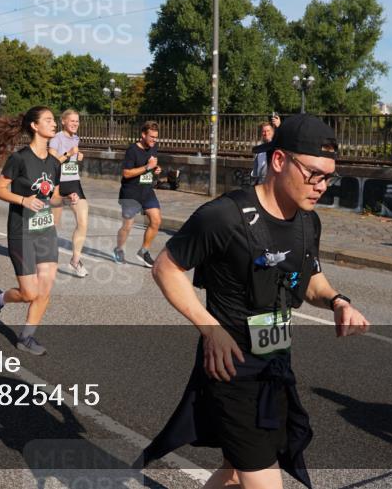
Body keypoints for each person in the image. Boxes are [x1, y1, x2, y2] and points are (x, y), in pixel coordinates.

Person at [142, 114, 370, 489]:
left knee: (233, 468)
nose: (321, 186)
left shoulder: (306, 221)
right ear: (279, 161)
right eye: (313, 173)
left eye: (329, 177)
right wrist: (211, 331)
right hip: (231, 368)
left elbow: (309, 276)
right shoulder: (223, 216)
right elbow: (166, 268)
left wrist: (337, 301)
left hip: (275, 365)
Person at [0, 106, 78, 356]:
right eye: (48, 120)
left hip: (45, 230)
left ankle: (26, 338)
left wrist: (66, 199)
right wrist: (23, 200)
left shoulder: (54, 163)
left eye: (54, 121)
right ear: (35, 126)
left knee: (45, 290)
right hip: (21, 230)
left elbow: (53, 197)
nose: (54, 124)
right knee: (29, 292)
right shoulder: (20, 158)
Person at [113, 121, 162, 267]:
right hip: (131, 193)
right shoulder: (132, 150)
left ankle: (143, 251)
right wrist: (148, 167)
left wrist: (156, 170)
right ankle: (119, 249)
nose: (154, 140)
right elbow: (126, 173)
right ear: (143, 135)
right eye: (151, 137)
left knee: (156, 220)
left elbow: (151, 168)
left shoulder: (154, 148)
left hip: (147, 191)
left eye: (156, 137)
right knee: (127, 226)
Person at [48, 108, 89, 278]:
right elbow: (51, 162)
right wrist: (69, 154)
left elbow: (71, 160)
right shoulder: (56, 138)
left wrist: (78, 156)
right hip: (58, 183)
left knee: (83, 221)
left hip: (73, 183)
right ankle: (40, 253)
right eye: (72, 121)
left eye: (77, 121)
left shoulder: (76, 138)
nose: (75, 124)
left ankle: (75, 260)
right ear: (63, 121)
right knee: (53, 225)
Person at [251, 114, 282, 185]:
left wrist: (279, 126)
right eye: (263, 131)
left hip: (273, 183)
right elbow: (256, 170)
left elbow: (284, 139)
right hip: (261, 183)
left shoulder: (278, 145)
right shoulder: (259, 149)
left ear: (273, 131)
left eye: (268, 131)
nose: (266, 133)